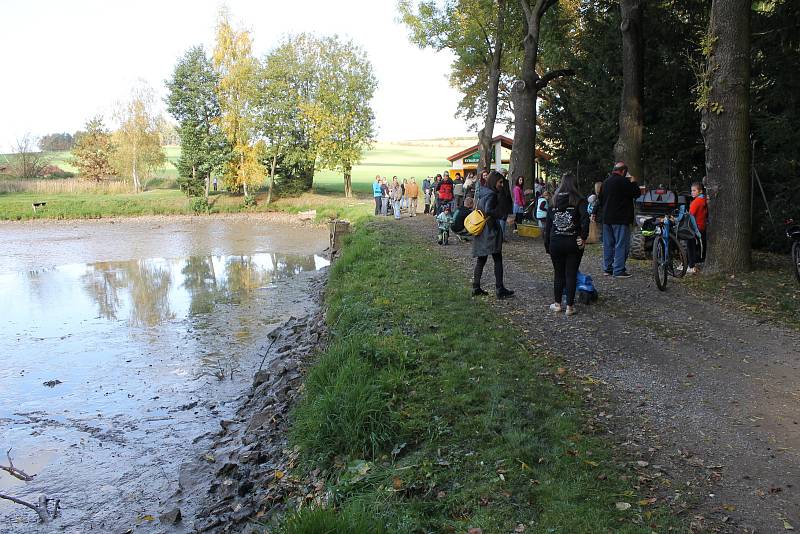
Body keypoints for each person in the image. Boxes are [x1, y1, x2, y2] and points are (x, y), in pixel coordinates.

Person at [544, 172, 590, 316]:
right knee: (571, 273)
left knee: (558, 274)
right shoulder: (579, 200)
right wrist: (583, 237)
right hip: (573, 242)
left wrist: (547, 245)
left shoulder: (554, 201)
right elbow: (585, 220)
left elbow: (548, 226)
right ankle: (570, 307)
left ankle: (557, 304)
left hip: (556, 242)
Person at [472, 171, 514, 299]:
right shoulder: (491, 195)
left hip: (482, 229)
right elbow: (489, 210)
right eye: (500, 182)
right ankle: (499, 288)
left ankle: (476, 286)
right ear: (494, 181)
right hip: (490, 230)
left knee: (482, 258)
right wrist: (503, 216)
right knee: (497, 259)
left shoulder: (483, 193)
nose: (501, 184)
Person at [597, 161, 641, 278]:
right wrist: (633, 181)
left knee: (608, 244)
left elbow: (600, 200)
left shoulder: (605, 182)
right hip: (621, 219)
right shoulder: (624, 182)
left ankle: (608, 269)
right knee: (621, 244)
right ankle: (619, 270)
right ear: (623, 171)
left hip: (607, 218)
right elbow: (636, 194)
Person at [687, 181, 708, 273]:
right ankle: (700, 261)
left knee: (690, 246)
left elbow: (690, 215)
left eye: (694, 190)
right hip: (702, 227)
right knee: (700, 246)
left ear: (700, 191)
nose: (692, 192)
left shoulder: (696, 202)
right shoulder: (704, 200)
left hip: (695, 228)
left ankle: (691, 266)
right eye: (691, 190)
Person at [496, 175, 513, 240]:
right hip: (500, 203)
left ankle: (501, 236)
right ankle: (501, 236)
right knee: (501, 220)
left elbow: (507, 193)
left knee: (502, 220)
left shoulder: (505, 182)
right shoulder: (499, 183)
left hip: (503, 203)